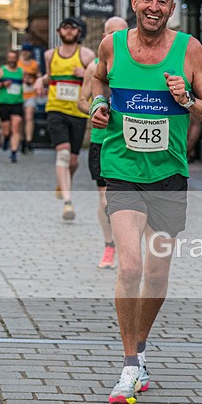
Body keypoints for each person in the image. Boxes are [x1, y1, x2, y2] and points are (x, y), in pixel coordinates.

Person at [90, 0, 202, 404]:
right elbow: (93, 85)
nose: (154, 6)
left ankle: (140, 349)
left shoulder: (190, 49)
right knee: (130, 268)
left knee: (157, 273)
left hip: (168, 175)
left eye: (162, 1)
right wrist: (96, 106)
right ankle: (129, 366)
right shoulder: (112, 46)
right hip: (122, 169)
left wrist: (186, 101)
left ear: (171, 9)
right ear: (134, 3)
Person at [78, 16, 129, 269]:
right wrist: (97, 109)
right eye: (110, 34)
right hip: (101, 141)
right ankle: (110, 246)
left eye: (120, 33)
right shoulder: (94, 66)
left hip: (129, 140)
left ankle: (127, 247)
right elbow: (81, 100)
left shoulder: (136, 64)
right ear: (104, 37)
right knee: (106, 200)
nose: (114, 39)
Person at [35, 17, 95, 221]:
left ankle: (64, 182)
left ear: (79, 32)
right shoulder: (50, 54)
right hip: (56, 109)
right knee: (62, 154)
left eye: (73, 29)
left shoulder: (86, 55)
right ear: (59, 31)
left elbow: (97, 77)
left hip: (77, 111)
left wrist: (86, 71)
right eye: (65, 28)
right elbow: (49, 76)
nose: (69, 32)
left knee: (73, 160)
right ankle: (68, 203)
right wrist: (38, 81)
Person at [0, 50, 24, 163]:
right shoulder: (2, 70)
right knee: (6, 129)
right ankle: (6, 137)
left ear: (17, 59)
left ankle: (13, 153)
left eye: (13, 57)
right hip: (4, 102)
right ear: (7, 59)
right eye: (10, 57)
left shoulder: (21, 71)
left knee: (16, 127)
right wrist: (2, 84)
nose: (12, 60)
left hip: (17, 102)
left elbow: (27, 82)